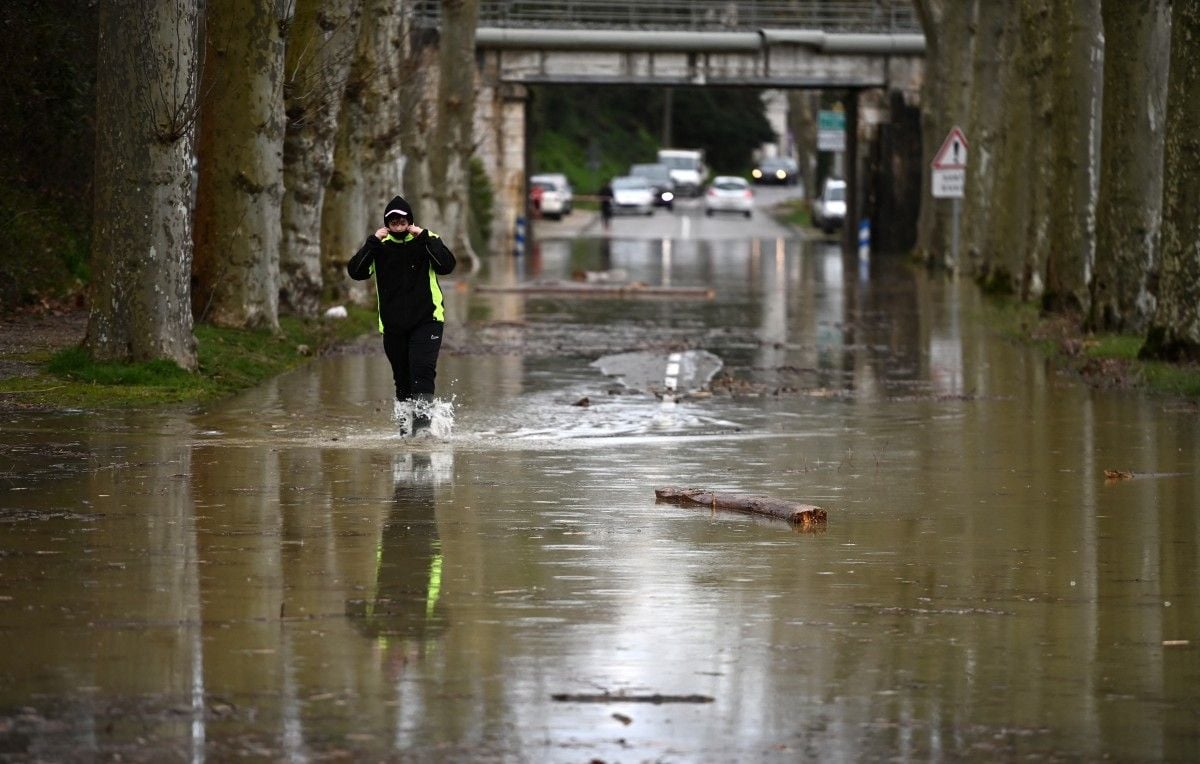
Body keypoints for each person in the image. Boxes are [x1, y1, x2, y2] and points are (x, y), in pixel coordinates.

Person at [347, 194, 456, 436]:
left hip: (428, 320)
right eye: (393, 220)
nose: (398, 223)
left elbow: (447, 266)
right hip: (393, 325)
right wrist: (372, 241)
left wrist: (424, 237)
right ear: (386, 223)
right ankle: (406, 432)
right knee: (403, 378)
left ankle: (423, 428)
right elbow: (356, 271)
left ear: (410, 220)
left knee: (422, 370)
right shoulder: (379, 247)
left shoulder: (428, 240)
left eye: (402, 219)